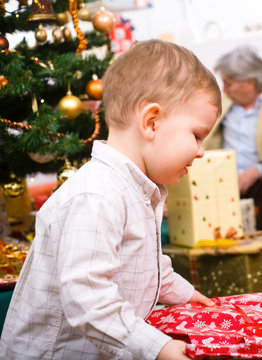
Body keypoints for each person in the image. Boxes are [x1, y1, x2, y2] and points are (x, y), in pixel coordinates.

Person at [0, 40, 221, 360]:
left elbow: (148, 263)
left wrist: (186, 295)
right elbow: (88, 298)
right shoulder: (98, 195)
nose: (200, 151)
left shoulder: (139, 190)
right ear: (151, 122)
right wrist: (157, 347)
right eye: (197, 135)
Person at [205, 46, 262, 231]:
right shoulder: (223, 102)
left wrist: (256, 171)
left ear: (250, 82)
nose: (225, 90)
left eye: (228, 83)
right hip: (223, 178)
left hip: (261, 180)